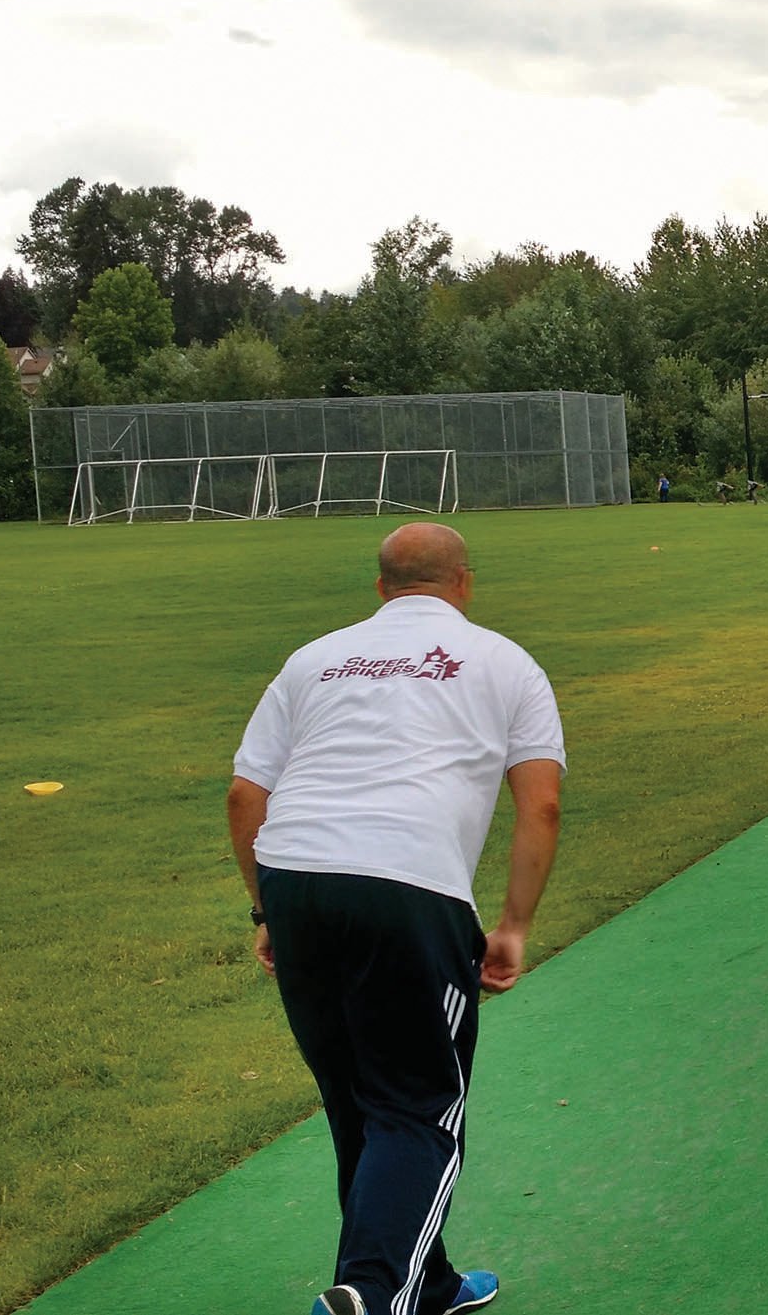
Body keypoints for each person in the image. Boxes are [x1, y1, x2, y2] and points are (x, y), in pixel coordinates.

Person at [229, 522, 565, 1315]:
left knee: (360, 1100)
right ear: (464, 582)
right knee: (418, 1107)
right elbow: (541, 804)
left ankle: (428, 1280)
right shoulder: (506, 661)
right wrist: (514, 925)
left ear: (381, 587)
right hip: (409, 885)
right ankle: (374, 1294)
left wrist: (266, 908)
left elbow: (245, 796)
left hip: (295, 879)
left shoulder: (313, 659)